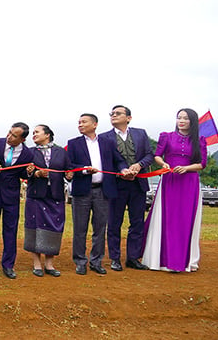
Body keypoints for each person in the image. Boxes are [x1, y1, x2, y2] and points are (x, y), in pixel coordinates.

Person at [142, 108, 208, 272]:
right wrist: (163, 164)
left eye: (185, 118)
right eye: (179, 118)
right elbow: (157, 155)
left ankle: (184, 260)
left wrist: (186, 168)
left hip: (189, 183)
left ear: (192, 121)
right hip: (170, 180)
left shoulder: (199, 140)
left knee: (185, 219)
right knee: (167, 217)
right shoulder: (167, 136)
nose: (182, 121)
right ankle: (161, 259)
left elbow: (202, 164)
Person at [66, 113, 127, 275]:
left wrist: (123, 169)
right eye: (79, 122)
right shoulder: (73, 144)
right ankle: (80, 261)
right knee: (80, 228)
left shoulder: (108, 143)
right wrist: (84, 169)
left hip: (103, 190)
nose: (80, 125)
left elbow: (118, 160)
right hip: (82, 191)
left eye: (84, 122)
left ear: (95, 124)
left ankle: (96, 261)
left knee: (100, 228)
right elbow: (70, 164)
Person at [99, 105, 154, 272]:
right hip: (116, 184)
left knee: (137, 222)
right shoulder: (104, 137)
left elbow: (150, 155)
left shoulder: (141, 133)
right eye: (112, 114)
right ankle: (115, 258)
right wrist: (120, 171)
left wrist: (139, 165)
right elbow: (105, 161)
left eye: (118, 113)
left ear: (128, 118)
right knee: (114, 222)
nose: (113, 116)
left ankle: (133, 257)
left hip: (138, 184)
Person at [0, 122, 34, 280]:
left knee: (10, 230)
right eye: (9, 133)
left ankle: (8, 265)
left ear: (22, 139)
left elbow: (23, 175)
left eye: (14, 136)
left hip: (11, 196)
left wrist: (29, 172)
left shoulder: (28, 154)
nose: (9, 137)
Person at [24, 125, 73, 277]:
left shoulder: (61, 152)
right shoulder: (30, 152)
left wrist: (70, 175)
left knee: (54, 228)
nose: (34, 135)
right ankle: (37, 264)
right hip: (36, 196)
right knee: (35, 227)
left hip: (55, 196)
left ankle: (49, 264)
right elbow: (24, 172)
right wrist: (35, 173)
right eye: (33, 133)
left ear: (47, 134)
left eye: (37, 132)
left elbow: (68, 171)